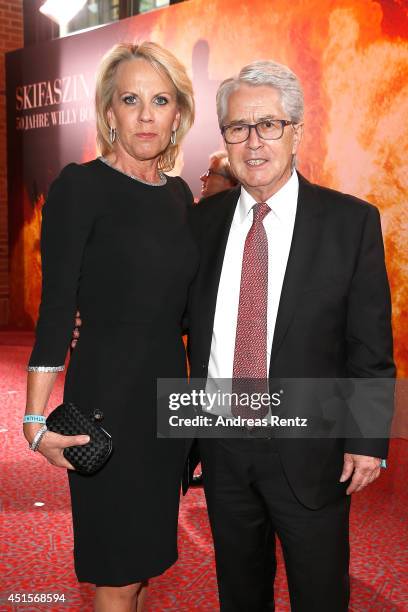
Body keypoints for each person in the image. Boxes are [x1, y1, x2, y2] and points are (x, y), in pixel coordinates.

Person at [187, 61, 395, 611]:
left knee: (321, 594)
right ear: (225, 138)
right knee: (240, 592)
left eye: (269, 125)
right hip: (221, 446)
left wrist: (368, 439)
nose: (253, 142)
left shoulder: (351, 223)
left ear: (297, 131)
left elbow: (370, 348)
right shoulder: (201, 224)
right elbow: (168, 315)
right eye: (237, 128)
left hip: (312, 448)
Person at [23, 42, 197, 612]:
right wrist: (33, 423)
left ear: (178, 114)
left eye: (160, 100)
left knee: (144, 565)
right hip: (108, 401)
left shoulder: (179, 195)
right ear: (109, 112)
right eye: (131, 100)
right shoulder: (81, 185)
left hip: (167, 402)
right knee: (115, 573)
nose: (146, 116)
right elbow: (57, 306)